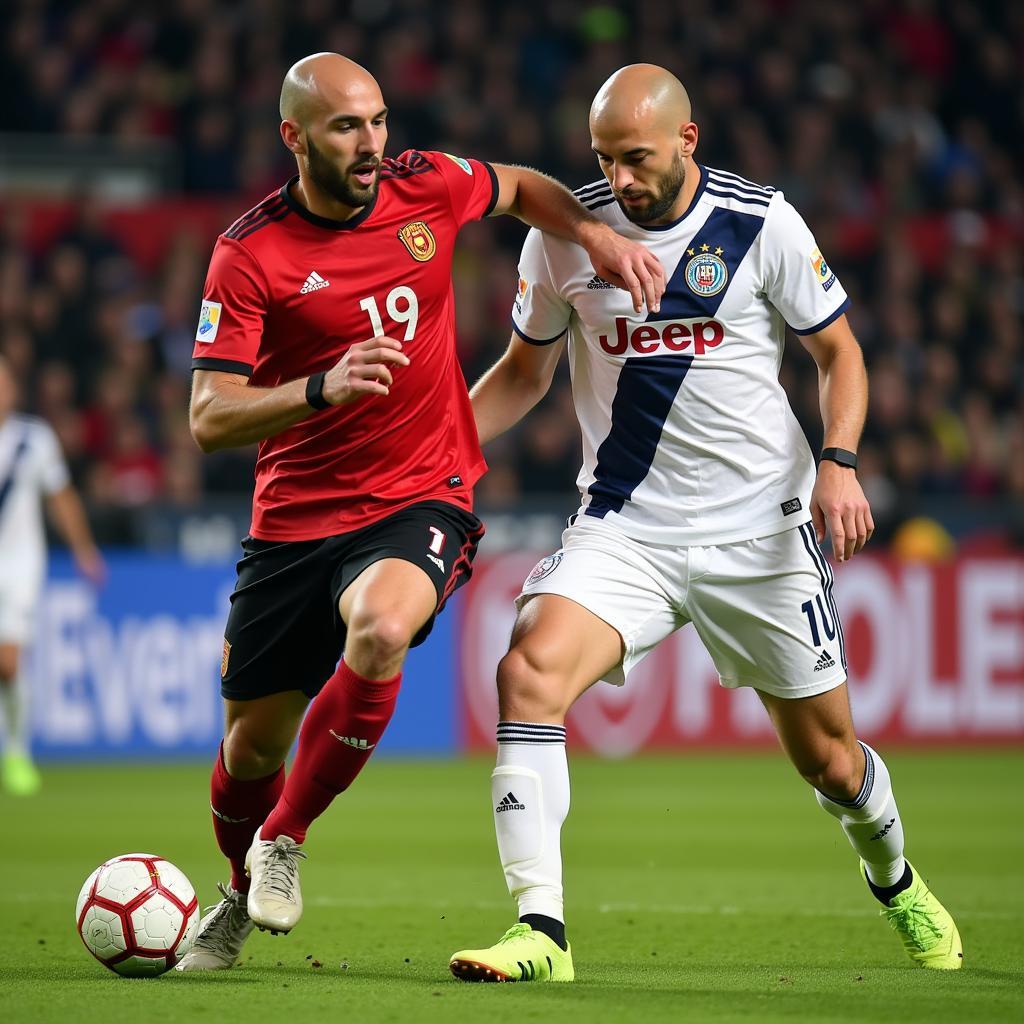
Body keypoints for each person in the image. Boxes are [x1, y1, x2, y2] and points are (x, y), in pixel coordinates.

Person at [449, 64, 962, 982]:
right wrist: (434, 456)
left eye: (637, 157)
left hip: (760, 534)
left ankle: (895, 878)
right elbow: (524, 375)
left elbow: (838, 353)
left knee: (832, 762)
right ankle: (541, 934)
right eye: (605, 157)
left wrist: (839, 465)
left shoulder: (761, 223)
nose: (622, 177)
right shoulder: (568, 240)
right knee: (527, 670)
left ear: (688, 140)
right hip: (625, 530)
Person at [175, 52, 664, 972]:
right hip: (293, 519)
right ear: (295, 138)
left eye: (378, 121)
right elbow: (208, 417)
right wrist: (318, 387)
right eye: (345, 128)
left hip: (417, 494)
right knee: (248, 751)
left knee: (383, 627)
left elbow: (521, 186)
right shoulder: (252, 251)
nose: (371, 145)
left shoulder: (427, 185)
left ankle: (284, 843)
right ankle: (239, 884)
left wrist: (595, 240)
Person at [0, 354, 104, 795]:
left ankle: (17, 751)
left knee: (7, 662)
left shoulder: (33, 439)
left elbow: (61, 498)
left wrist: (84, 550)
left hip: (18, 565)